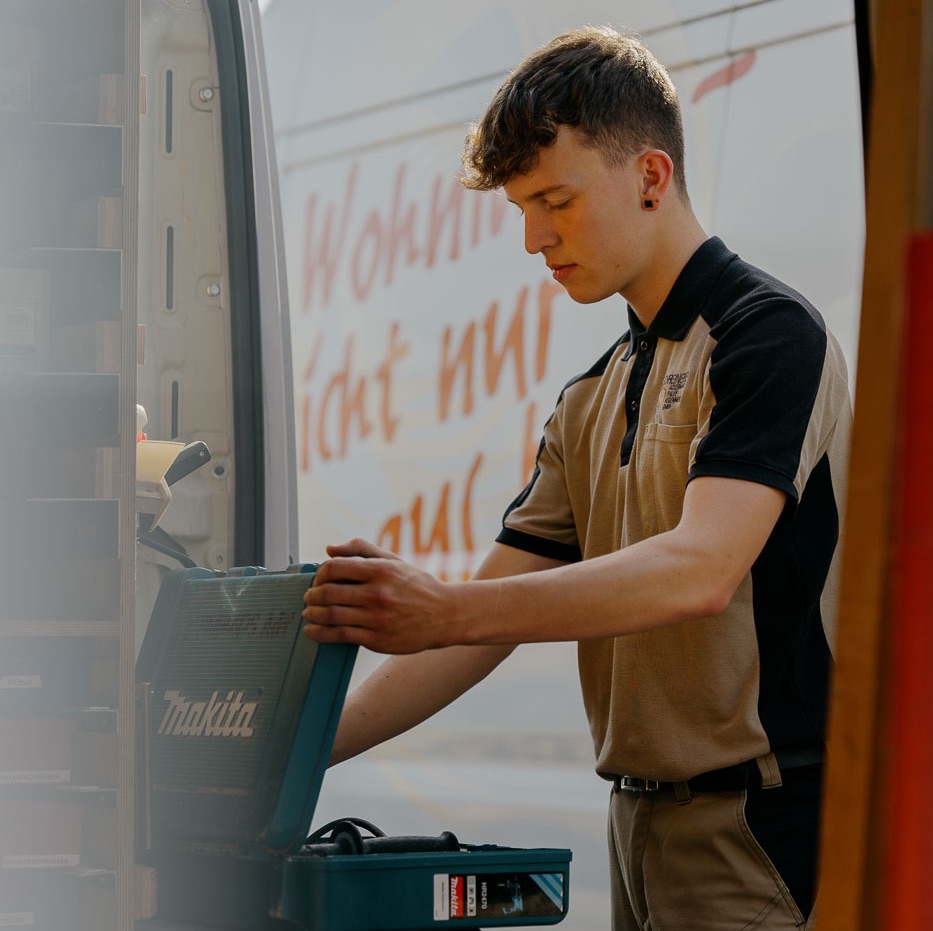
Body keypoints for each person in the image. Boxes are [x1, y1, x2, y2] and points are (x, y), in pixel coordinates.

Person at [302, 25, 850, 931]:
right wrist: (291, 760)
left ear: (649, 175)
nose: (532, 238)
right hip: (633, 822)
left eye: (553, 199)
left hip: (758, 825)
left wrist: (443, 607)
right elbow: (476, 633)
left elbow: (700, 571)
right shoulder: (588, 395)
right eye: (521, 207)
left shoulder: (771, 335)